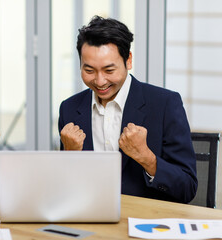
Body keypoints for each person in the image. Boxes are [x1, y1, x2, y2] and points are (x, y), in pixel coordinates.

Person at [58, 16, 197, 203]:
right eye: (89, 70)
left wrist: (146, 157)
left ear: (128, 60)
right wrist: (70, 156)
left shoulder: (165, 104)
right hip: (89, 219)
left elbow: (187, 188)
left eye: (109, 70)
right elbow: (63, 191)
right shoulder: (70, 108)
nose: (100, 81)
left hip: (145, 221)